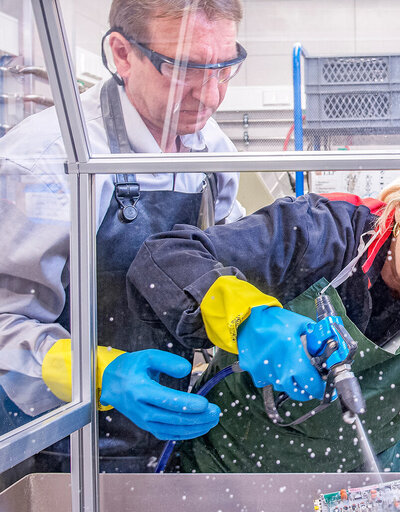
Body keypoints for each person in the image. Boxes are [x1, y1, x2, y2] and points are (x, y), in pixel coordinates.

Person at [125, 139, 400, 472]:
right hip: (233, 466)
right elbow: (167, 255)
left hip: (364, 481)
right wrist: (250, 321)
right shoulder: (320, 232)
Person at [0, 0, 247, 473]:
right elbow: (5, 322)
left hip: (166, 434)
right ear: (122, 53)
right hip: (50, 441)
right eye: (186, 69)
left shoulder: (210, 147)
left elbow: (218, 257)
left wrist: (256, 316)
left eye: (224, 67)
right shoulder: (48, 164)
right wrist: (103, 375)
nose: (211, 95)